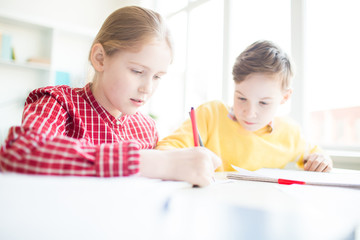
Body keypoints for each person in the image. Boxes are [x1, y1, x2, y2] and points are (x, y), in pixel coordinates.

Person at [0, 6, 220, 187]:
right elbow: (19, 154)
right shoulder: (58, 103)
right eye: (137, 71)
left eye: (157, 77)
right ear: (100, 58)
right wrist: (152, 162)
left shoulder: (147, 128)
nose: (147, 88)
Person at [156, 40, 333, 173]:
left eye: (263, 103)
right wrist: (181, 159)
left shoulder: (290, 133)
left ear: (284, 97)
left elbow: (315, 155)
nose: (249, 113)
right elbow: (166, 148)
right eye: (241, 98)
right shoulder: (211, 114)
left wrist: (321, 160)